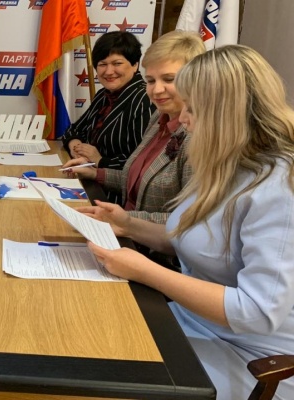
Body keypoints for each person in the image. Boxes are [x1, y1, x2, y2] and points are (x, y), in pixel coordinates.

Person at [82, 46, 294, 400]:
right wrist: (127, 224)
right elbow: (193, 237)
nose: (182, 119)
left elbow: (257, 312)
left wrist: (145, 271)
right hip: (188, 322)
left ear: (224, 113)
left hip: (251, 356)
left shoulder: (279, 186)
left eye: (192, 109)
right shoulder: (226, 163)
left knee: (103, 378)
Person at [63, 31, 204, 224]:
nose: (157, 90)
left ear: (196, 79)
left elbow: (192, 221)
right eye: (151, 80)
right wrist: (95, 173)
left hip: (142, 238)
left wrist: (124, 219)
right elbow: (137, 181)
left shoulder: (199, 137)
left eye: (169, 79)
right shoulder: (158, 118)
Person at [60, 31, 156, 204]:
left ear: (135, 64)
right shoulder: (104, 95)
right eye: (102, 64)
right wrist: (76, 147)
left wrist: (100, 160)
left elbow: (143, 165)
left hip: (117, 199)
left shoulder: (145, 100)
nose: (109, 71)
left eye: (117, 63)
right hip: (89, 183)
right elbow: (72, 130)